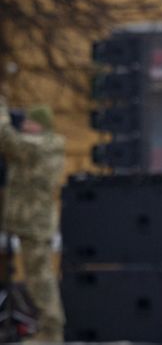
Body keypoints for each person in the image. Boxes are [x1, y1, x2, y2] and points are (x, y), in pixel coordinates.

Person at [0, 100, 65, 341]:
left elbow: (8, 140)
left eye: (29, 122)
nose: (25, 126)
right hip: (30, 223)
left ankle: (51, 333)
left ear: (41, 125)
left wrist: (2, 113)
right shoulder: (40, 146)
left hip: (34, 224)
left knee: (40, 280)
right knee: (37, 277)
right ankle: (48, 331)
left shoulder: (42, 146)